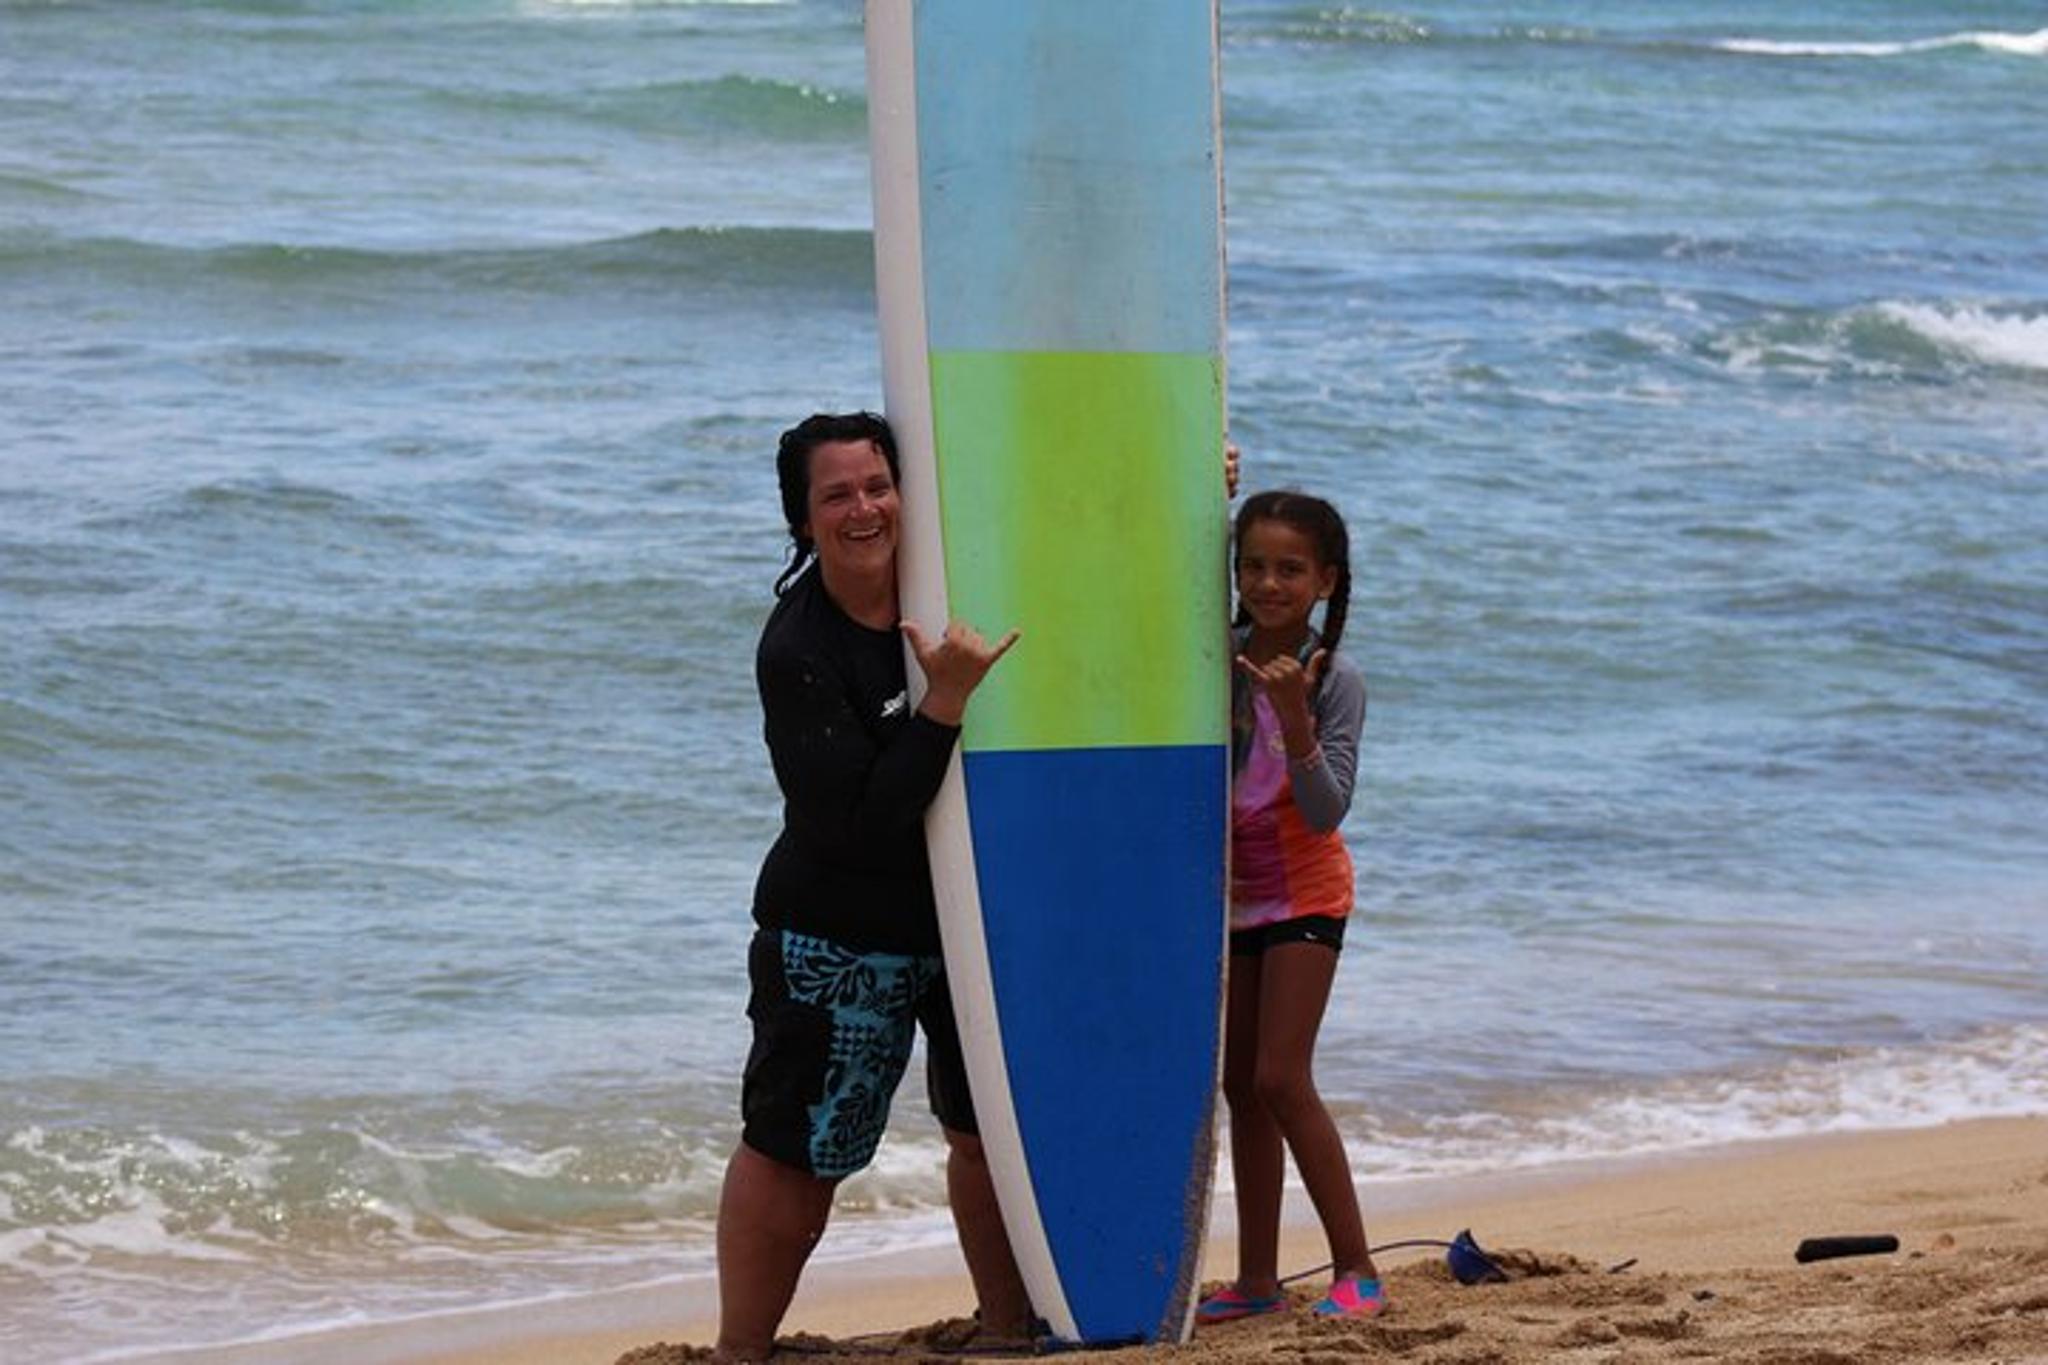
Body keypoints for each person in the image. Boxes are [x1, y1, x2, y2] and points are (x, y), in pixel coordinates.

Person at [715, 412, 1028, 1361]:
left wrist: (1196, 474)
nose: (864, 508)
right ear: (801, 520)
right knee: (798, 1154)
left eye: (878, 485)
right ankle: (740, 1349)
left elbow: (1057, 496)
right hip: (836, 941)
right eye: (836, 494)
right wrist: (943, 705)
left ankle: (1010, 1328)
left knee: (988, 1133)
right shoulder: (798, 648)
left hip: (966, 923)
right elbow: (854, 824)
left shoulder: (946, 580)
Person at [1196, 489, 1385, 1324]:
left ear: (1325, 581)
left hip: (1307, 891)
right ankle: (1260, 1278)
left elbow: (1326, 806)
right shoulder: (1210, 656)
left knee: (1281, 1074)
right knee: (1240, 1083)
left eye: (1290, 569)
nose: (1268, 582)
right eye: (1253, 565)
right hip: (1231, 900)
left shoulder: (1335, 677)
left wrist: (1294, 720)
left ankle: (1360, 1270)